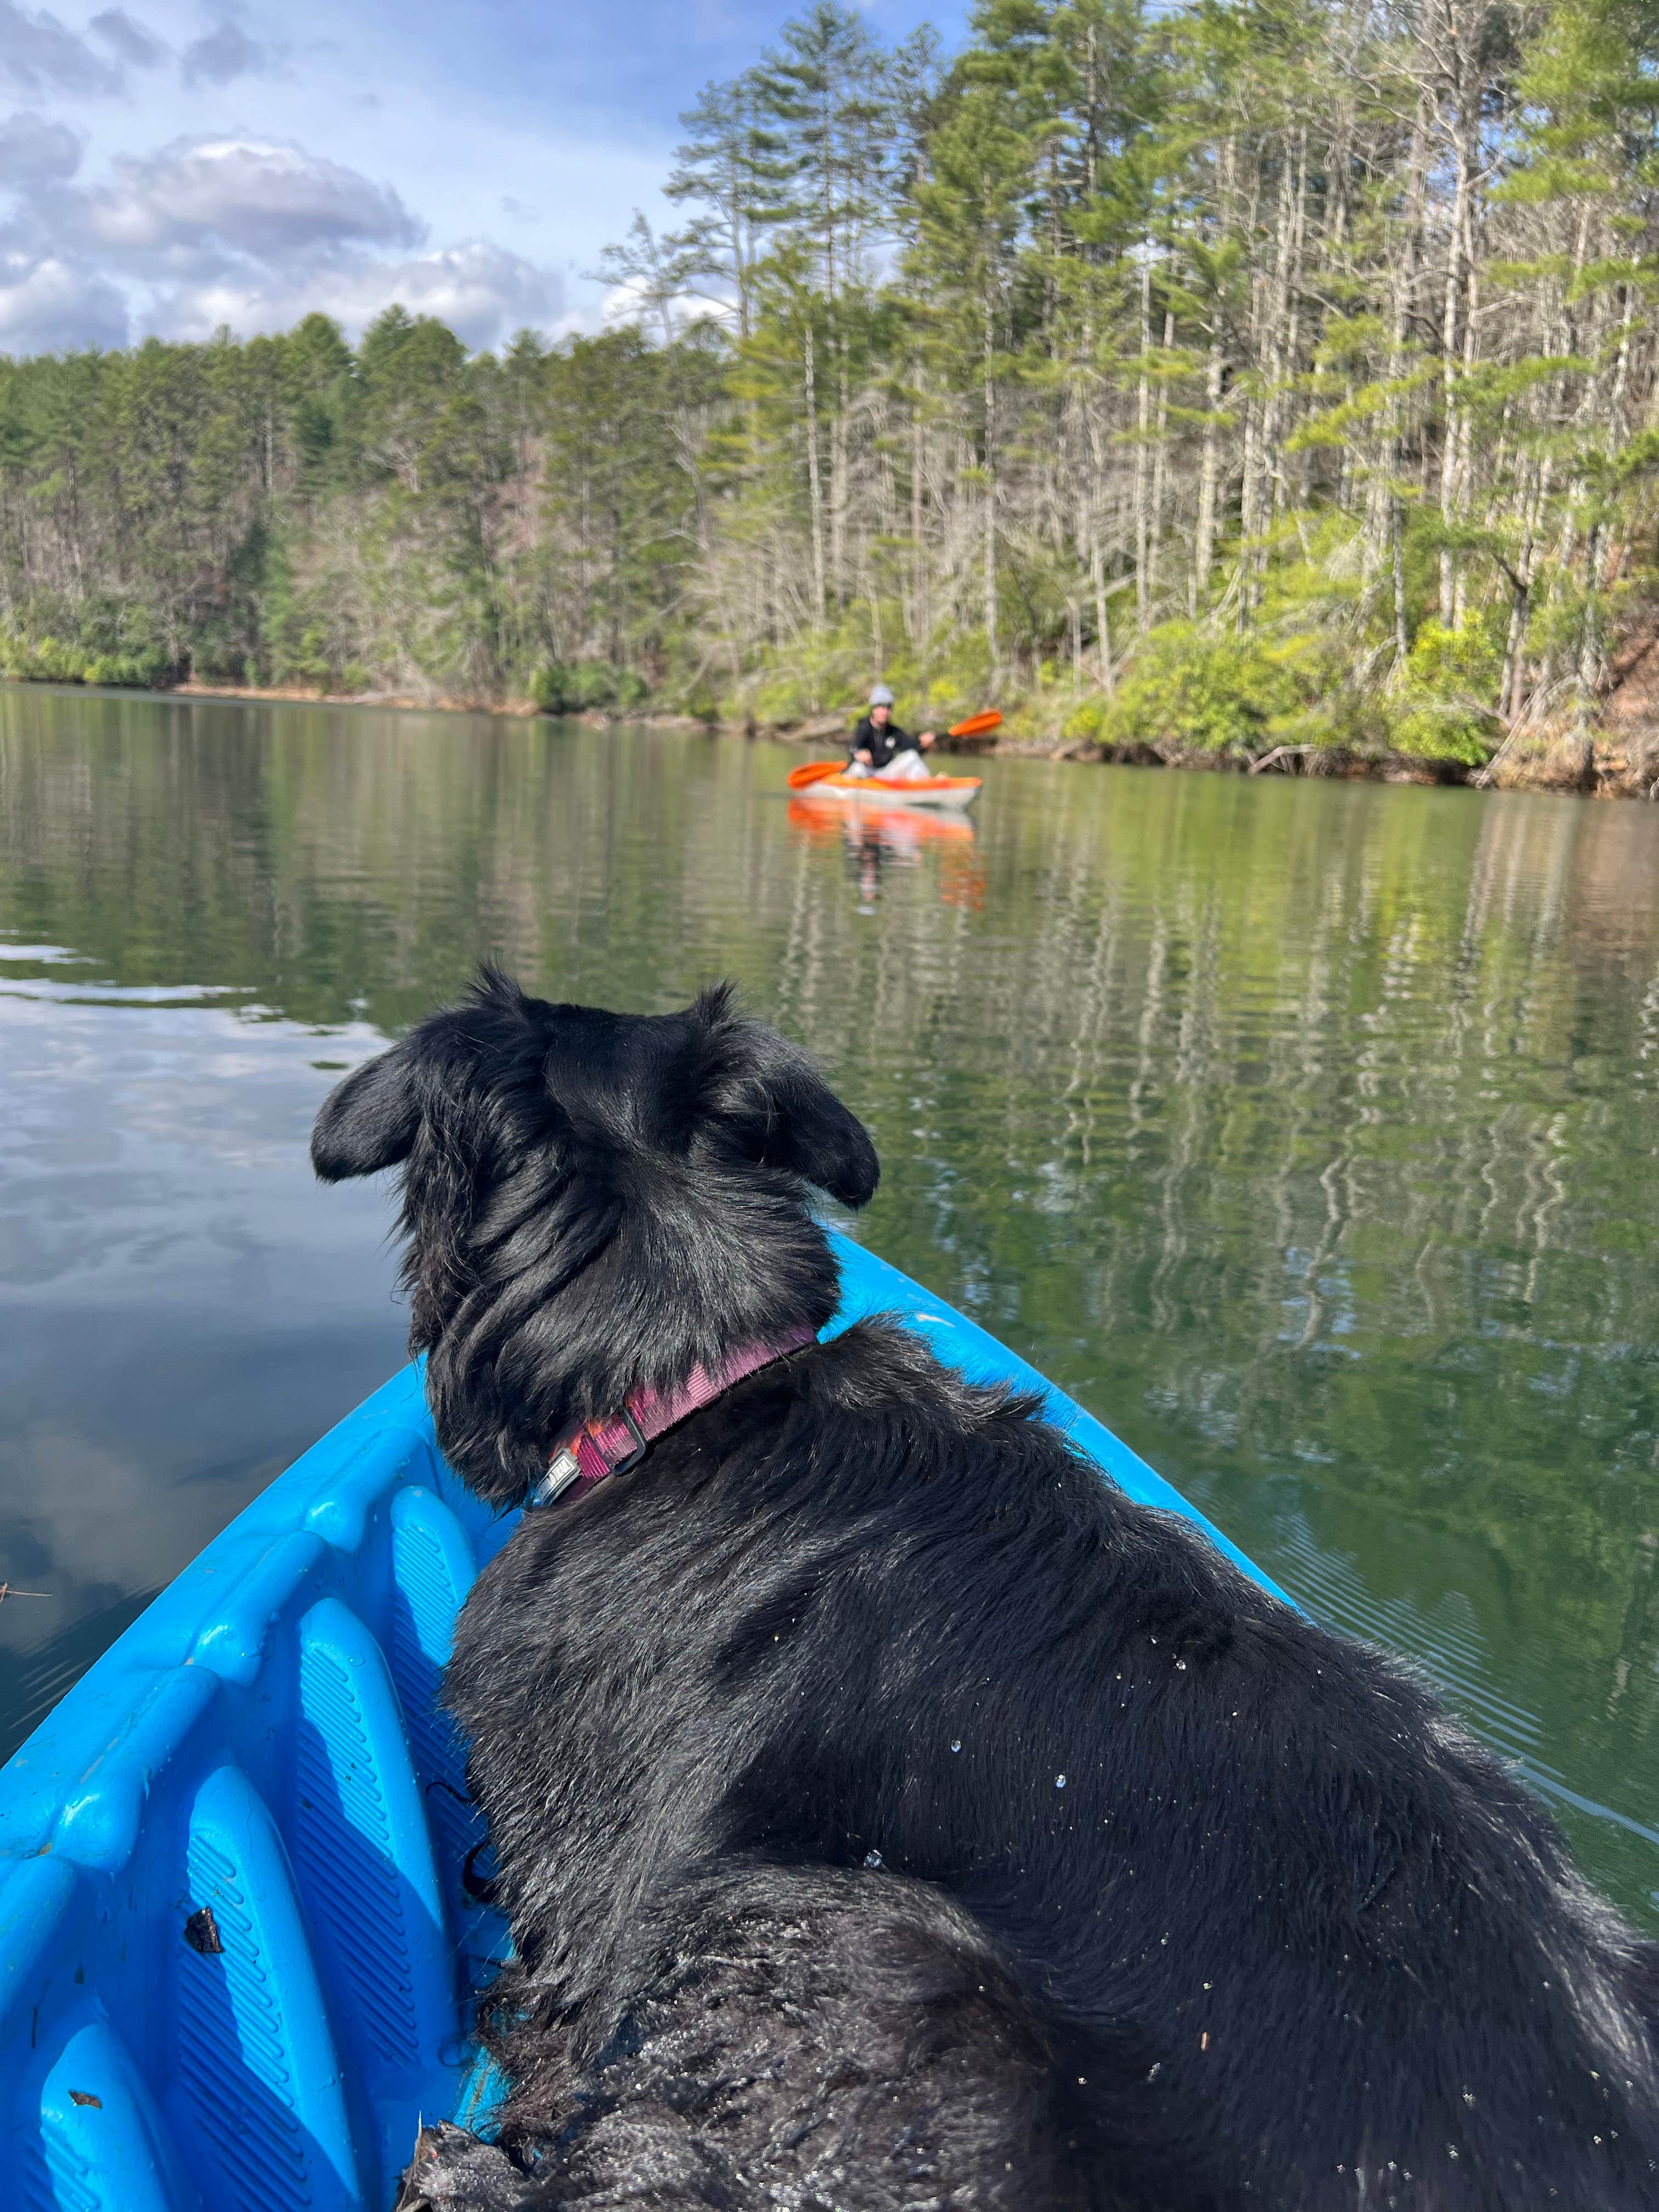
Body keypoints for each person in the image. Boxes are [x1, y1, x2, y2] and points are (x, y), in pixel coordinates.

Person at [845, 686, 937, 781]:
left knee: (912, 756)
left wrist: (923, 744)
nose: (884, 712)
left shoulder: (894, 732)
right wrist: (858, 754)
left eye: (888, 708)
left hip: (885, 774)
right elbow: (853, 748)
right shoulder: (864, 728)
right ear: (874, 709)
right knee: (857, 768)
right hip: (866, 771)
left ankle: (929, 784)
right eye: (881, 708)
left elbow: (913, 747)